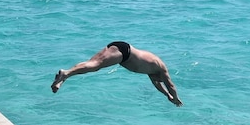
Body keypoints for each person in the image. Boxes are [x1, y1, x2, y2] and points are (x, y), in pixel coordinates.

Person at [51, 41, 183, 106]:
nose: (158, 81)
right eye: (160, 80)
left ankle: (64, 77)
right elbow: (170, 85)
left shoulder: (153, 71)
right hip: (124, 52)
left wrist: (167, 96)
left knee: (92, 64)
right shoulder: (161, 69)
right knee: (94, 65)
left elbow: (158, 85)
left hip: (122, 51)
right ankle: (66, 73)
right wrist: (175, 98)